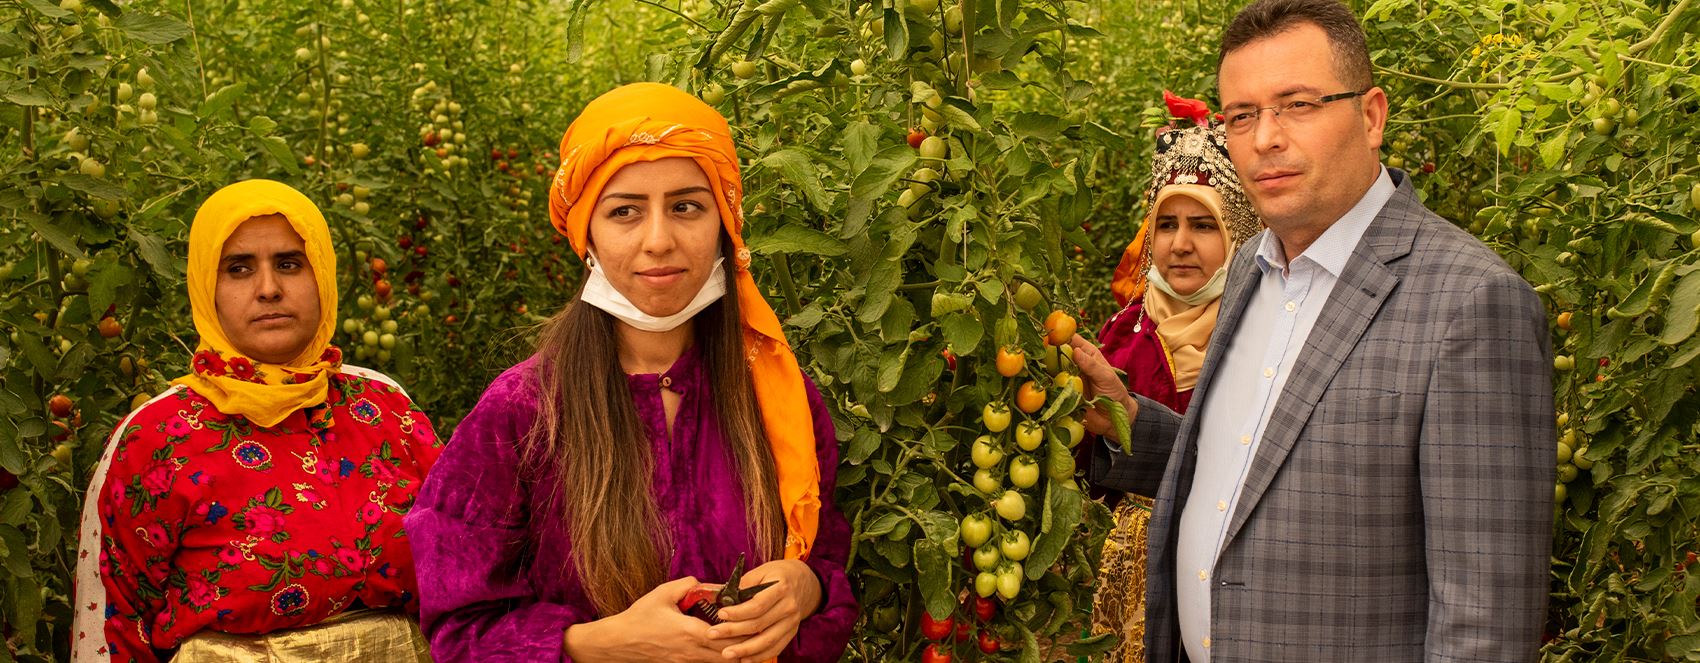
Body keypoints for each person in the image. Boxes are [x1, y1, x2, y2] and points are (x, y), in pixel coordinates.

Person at [1072, 1, 1556, 661]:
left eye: (1297, 104)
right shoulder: (1251, 267)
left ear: (1371, 115)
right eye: (1241, 115)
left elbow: (1485, 629)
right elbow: (1250, 465)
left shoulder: (1470, 305)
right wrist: (1126, 416)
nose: (1265, 137)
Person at [404, 82, 857, 663]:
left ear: (725, 222)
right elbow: (459, 628)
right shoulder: (521, 412)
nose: (659, 241)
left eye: (687, 206)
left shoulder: (780, 400)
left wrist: (808, 590)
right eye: (624, 212)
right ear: (584, 232)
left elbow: (825, 556)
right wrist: (596, 646)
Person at [73, 180, 442, 662]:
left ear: (323, 276)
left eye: (289, 264)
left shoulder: (383, 406)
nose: (269, 289)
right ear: (208, 287)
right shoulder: (156, 436)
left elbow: (463, 563)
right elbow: (112, 624)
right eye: (239, 269)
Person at [1090, 92, 1261, 663]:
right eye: (1166, 224)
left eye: (1202, 225)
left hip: (1227, 581)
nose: (1180, 244)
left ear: (1237, 234)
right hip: (1117, 589)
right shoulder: (1122, 332)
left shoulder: (1259, 337)